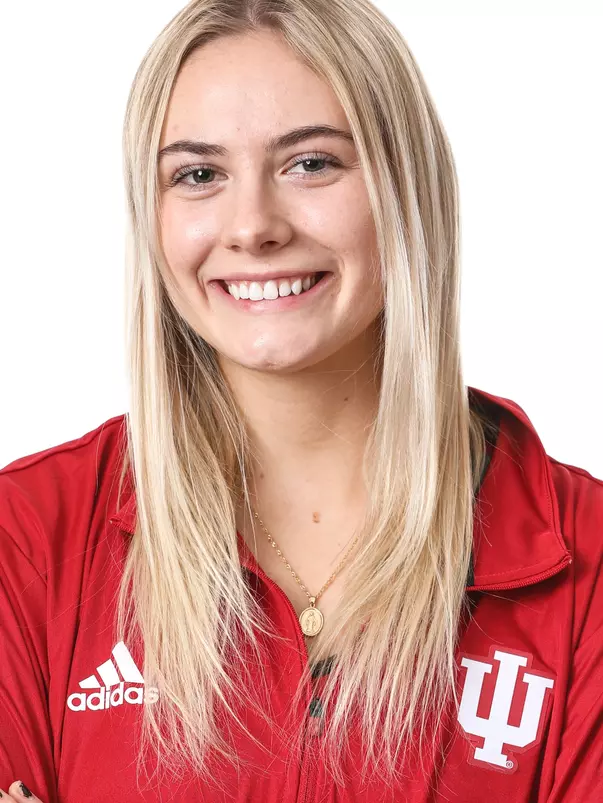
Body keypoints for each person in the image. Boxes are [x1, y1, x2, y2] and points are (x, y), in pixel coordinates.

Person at [1, 0, 602, 800]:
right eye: (199, 174)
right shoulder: (30, 540)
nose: (252, 227)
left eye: (310, 163)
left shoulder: (584, 564)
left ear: (405, 188)